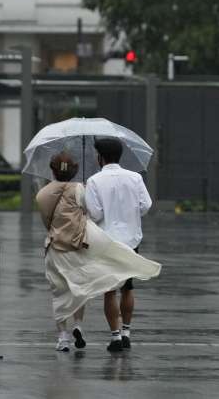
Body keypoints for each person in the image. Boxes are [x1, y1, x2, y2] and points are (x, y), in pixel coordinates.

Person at [36, 151, 160, 352]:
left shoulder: (41, 194)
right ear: (74, 170)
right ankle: (85, 326)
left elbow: (46, 222)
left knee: (59, 292)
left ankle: (63, 338)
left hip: (54, 247)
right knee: (81, 289)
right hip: (79, 245)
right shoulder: (80, 188)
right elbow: (91, 212)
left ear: (52, 169)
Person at [85, 137, 152, 352]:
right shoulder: (135, 178)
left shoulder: (94, 181)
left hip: (107, 242)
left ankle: (115, 337)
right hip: (131, 240)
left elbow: (95, 214)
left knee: (109, 291)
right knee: (128, 287)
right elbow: (145, 206)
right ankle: (126, 332)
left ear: (100, 157)